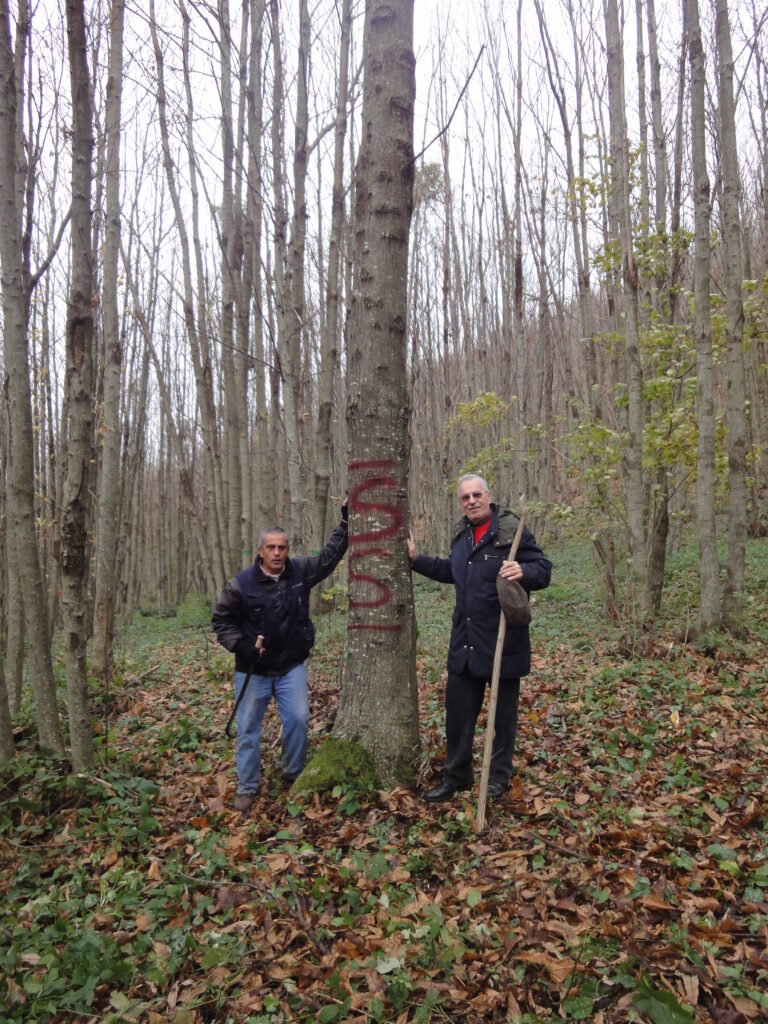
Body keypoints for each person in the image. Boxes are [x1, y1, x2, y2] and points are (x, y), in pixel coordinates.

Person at [407, 474, 551, 801]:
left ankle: (498, 778)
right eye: (465, 498)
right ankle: (456, 777)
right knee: (458, 717)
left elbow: (544, 568)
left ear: (488, 496)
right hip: (466, 643)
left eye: (476, 495)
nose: (471, 501)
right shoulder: (462, 538)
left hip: (503, 644)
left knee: (503, 721)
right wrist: (417, 561)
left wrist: (524, 571)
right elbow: (451, 572)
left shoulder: (510, 533)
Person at [212, 505, 348, 811]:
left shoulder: (299, 572)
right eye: (271, 547)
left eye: (282, 547)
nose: (277, 553)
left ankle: (293, 773)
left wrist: (346, 522)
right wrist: (241, 646)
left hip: (290, 667)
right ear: (260, 551)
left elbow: (328, 559)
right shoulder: (241, 585)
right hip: (253, 671)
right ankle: (247, 787)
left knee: (298, 719)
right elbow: (221, 622)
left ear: (288, 550)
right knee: (248, 727)